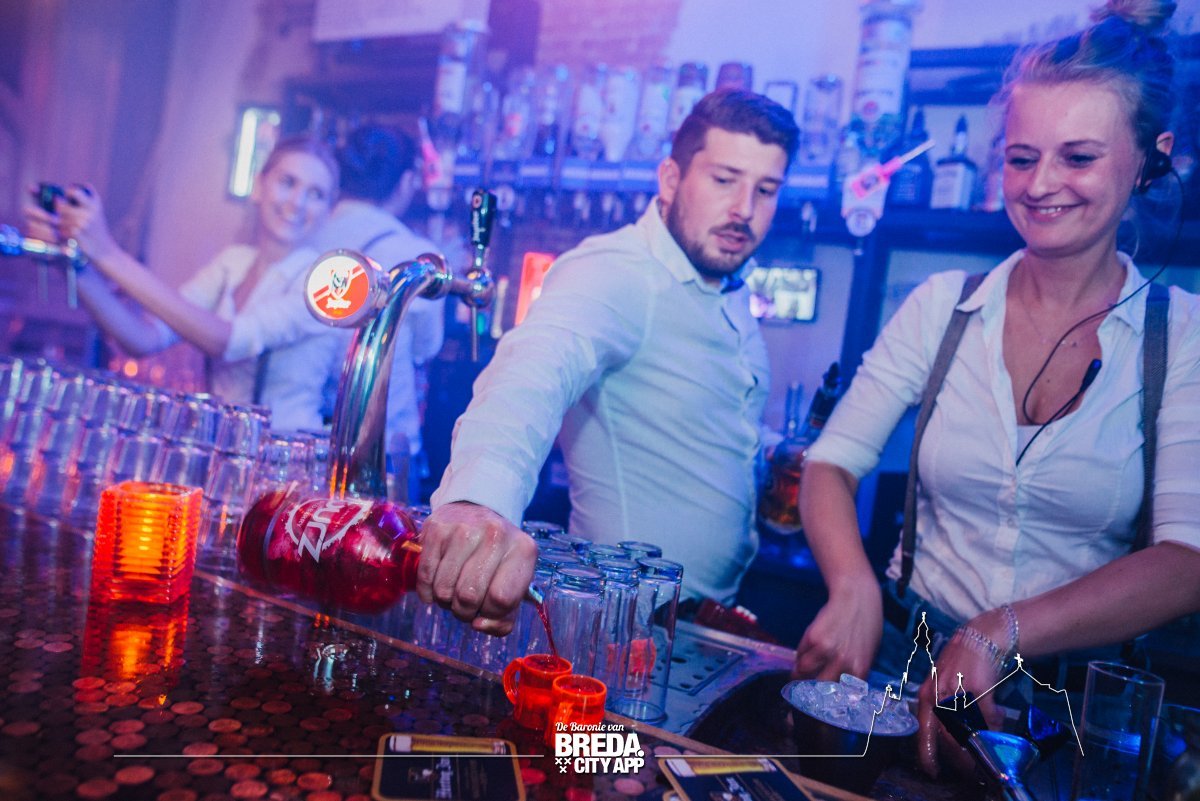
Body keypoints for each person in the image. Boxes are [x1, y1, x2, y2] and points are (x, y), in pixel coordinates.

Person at [793, 0, 1200, 777]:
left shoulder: (1183, 336)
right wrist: (852, 585)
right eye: (1021, 157)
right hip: (908, 673)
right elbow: (830, 463)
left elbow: (1186, 559)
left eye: (1077, 157)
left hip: (1071, 715)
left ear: (1151, 158)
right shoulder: (941, 307)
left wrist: (996, 630)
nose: (1041, 184)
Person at [415, 89, 800, 634]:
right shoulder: (619, 271)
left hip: (704, 621)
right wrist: (480, 502)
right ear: (671, 179)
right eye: (724, 180)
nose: (744, 209)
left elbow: (700, 416)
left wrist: (771, 451)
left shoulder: (725, 281)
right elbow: (532, 374)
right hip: (623, 626)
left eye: (765, 190)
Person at [23, 136, 343, 431]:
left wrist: (105, 250)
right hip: (225, 449)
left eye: (316, 194)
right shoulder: (233, 263)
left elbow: (225, 341)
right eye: (288, 182)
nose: (298, 202)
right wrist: (70, 260)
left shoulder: (323, 284)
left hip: (286, 458)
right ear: (259, 187)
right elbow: (142, 338)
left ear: (328, 212)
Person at [309, 125, 445, 502]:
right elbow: (427, 348)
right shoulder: (414, 255)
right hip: (381, 446)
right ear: (406, 182)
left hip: (305, 438)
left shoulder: (307, 232)